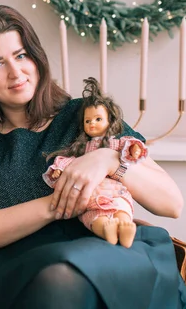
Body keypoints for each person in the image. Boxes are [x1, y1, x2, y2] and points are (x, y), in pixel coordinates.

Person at [0, 4, 186, 309]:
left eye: (21, 56)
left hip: (109, 249)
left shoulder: (86, 114)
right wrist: (56, 204)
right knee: (61, 273)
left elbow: (171, 203)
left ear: (36, 57)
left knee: (76, 271)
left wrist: (110, 159)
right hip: (20, 271)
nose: (15, 72)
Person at [43, 77, 148, 248]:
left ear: (110, 120)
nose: (92, 124)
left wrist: (134, 148)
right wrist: (59, 169)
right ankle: (106, 230)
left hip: (115, 190)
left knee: (122, 207)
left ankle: (124, 227)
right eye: (88, 121)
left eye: (98, 119)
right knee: (93, 217)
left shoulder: (115, 143)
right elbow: (70, 160)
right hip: (91, 195)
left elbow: (129, 147)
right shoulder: (82, 147)